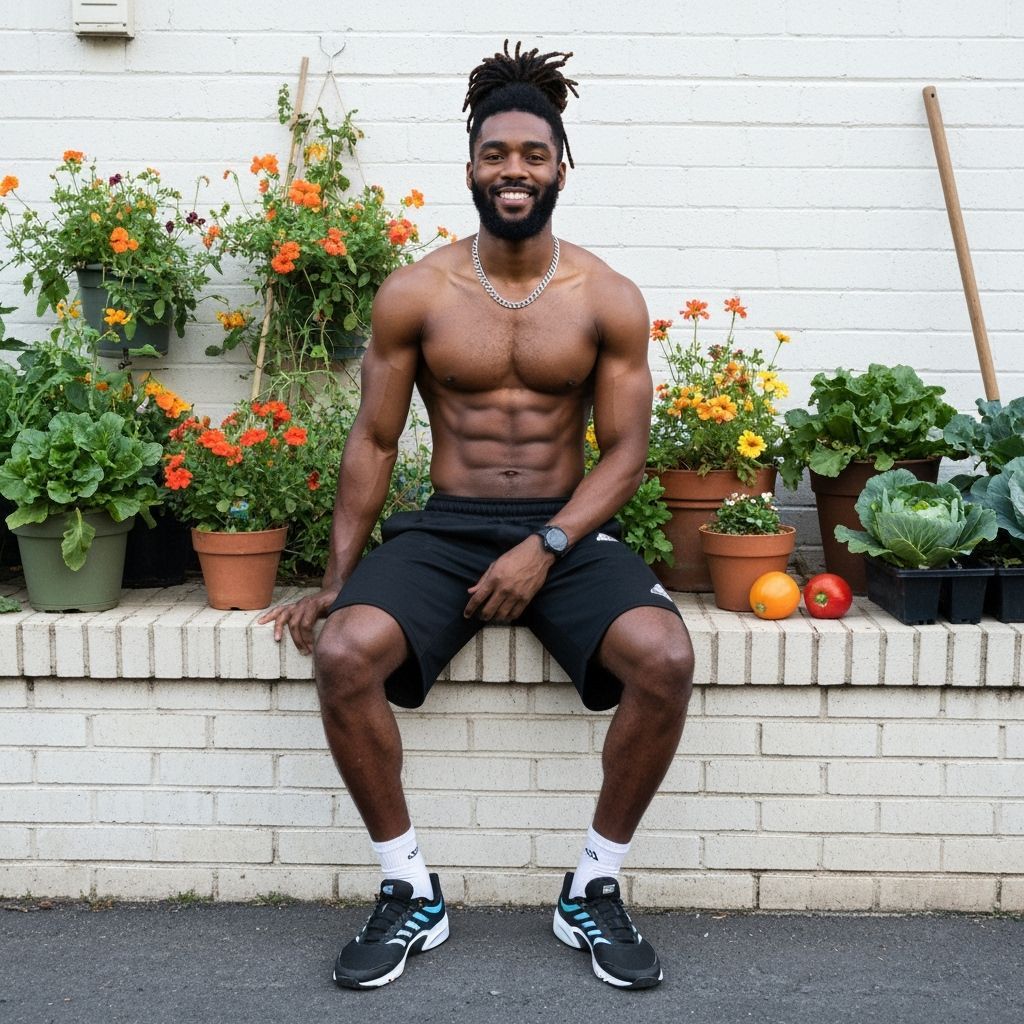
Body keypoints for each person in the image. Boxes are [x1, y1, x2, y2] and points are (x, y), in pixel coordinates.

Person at [260, 41, 694, 991]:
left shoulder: (606, 298)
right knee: (343, 653)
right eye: (496, 153)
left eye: (533, 155)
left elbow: (624, 454)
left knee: (665, 658)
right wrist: (338, 578)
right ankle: (408, 888)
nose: (514, 171)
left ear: (561, 168)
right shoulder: (417, 292)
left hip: (568, 528)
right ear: (469, 166)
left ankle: (595, 886)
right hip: (449, 525)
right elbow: (373, 443)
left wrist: (547, 545)